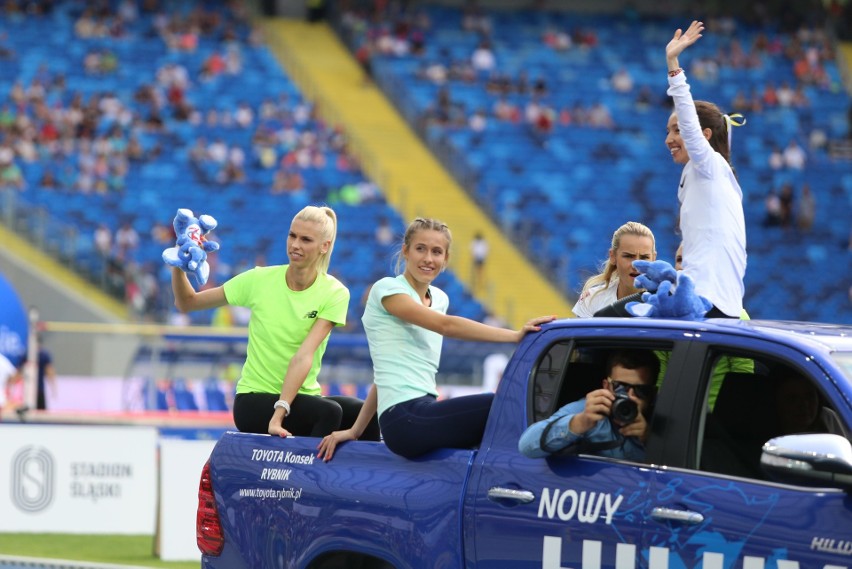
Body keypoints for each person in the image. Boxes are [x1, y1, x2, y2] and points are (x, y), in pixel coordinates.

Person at [316, 217, 555, 460]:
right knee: (506, 404)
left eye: (437, 252)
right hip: (405, 419)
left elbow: (384, 377)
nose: (428, 258)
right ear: (406, 251)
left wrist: (355, 431)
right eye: (420, 249)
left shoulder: (440, 299)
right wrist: (515, 335)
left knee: (498, 428)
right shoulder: (387, 289)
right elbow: (446, 325)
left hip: (422, 411)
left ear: (446, 259)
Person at [169, 205, 379, 440]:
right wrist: (180, 264)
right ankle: (304, 477)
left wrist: (281, 411)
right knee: (329, 413)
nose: (295, 245)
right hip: (253, 399)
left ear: (325, 246)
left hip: (299, 400)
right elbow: (187, 303)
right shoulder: (259, 279)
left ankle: (365, 476)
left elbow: (303, 356)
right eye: (292, 236)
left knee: (365, 414)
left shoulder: (335, 292)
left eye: (306, 239)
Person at [665, 21, 746, 319]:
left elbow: (688, 118)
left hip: (708, 301)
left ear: (705, 136)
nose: (669, 139)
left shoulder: (711, 164)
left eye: (677, 130)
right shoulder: (707, 176)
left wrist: (673, 65)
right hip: (714, 300)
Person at [518, 349, 661, 460]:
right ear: (606, 386)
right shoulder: (589, 410)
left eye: (641, 391)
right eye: (620, 387)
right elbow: (526, 446)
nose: (630, 396)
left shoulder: (665, 420)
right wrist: (578, 423)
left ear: (653, 394)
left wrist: (650, 440)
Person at [572, 221, 656, 318]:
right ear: (613, 256)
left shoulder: (664, 302)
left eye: (644, 257)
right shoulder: (592, 299)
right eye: (628, 256)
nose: (636, 265)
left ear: (654, 259)